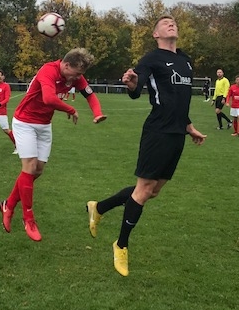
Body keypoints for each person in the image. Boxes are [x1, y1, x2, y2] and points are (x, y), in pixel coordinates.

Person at [86, 15, 206, 277]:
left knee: (152, 191)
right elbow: (137, 86)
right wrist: (132, 83)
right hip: (157, 131)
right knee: (143, 190)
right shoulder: (151, 59)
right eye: (165, 23)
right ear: (156, 34)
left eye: (173, 22)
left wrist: (189, 127)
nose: (171, 24)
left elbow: (180, 100)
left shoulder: (186, 61)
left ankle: (98, 208)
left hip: (177, 134)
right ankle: (121, 245)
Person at [0, 48, 107, 242]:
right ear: (66, 65)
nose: (78, 79)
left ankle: (9, 205)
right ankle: (28, 219)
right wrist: (70, 109)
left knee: (37, 171)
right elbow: (48, 98)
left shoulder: (75, 76)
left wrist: (97, 113)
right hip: (25, 122)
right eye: (76, 74)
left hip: (44, 125)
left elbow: (89, 94)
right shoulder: (48, 70)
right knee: (29, 167)